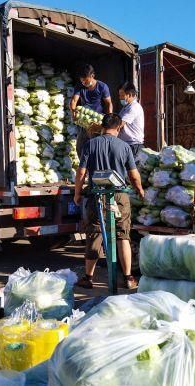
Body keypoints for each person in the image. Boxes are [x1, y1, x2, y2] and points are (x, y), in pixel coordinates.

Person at [73, 113, 144, 290]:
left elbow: (81, 173)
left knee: (95, 235)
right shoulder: (124, 147)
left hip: (96, 196)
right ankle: (128, 277)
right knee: (122, 235)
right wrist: (140, 190)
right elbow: (133, 175)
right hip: (119, 196)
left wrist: (77, 193)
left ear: (102, 126)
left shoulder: (90, 144)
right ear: (119, 127)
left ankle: (88, 278)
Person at [70, 64, 113, 155]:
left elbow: (109, 103)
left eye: (86, 81)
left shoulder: (102, 87)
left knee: (95, 150)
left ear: (92, 76)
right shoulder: (79, 86)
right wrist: (73, 113)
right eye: (82, 81)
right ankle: (84, 168)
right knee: (80, 149)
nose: (84, 83)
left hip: (96, 122)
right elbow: (74, 101)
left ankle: (95, 168)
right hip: (84, 121)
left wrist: (108, 122)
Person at [117, 82, 145, 156]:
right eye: (119, 95)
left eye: (122, 95)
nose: (120, 98)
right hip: (127, 145)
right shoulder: (125, 108)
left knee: (132, 167)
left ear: (129, 95)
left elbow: (119, 124)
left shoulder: (134, 107)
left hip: (133, 146)